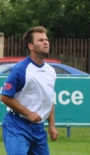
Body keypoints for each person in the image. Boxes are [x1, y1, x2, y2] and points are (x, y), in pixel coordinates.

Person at [0, 26, 58, 155]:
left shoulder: (50, 71)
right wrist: (28, 113)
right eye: (41, 40)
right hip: (17, 125)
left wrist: (52, 125)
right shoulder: (21, 69)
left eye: (46, 39)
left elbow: (49, 100)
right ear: (30, 46)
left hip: (38, 128)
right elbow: (4, 97)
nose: (45, 42)